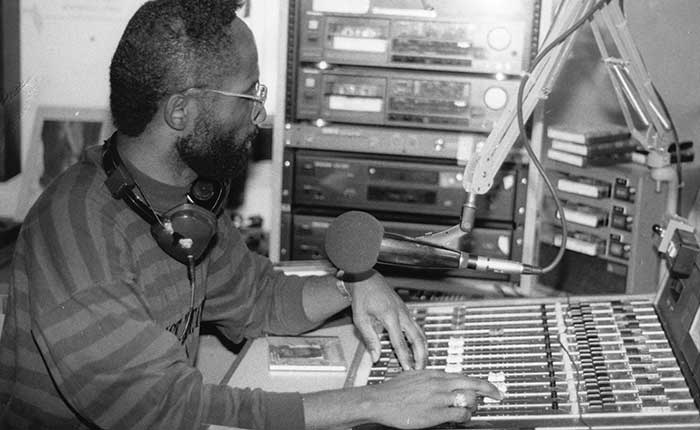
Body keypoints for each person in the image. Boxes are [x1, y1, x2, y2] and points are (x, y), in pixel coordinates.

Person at [0, 1, 502, 429]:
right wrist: (374, 402)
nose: (260, 115)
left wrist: (354, 285)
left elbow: (260, 300)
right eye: (249, 95)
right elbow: (165, 411)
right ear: (181, 113)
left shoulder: (185, 200)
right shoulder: (76, 233)